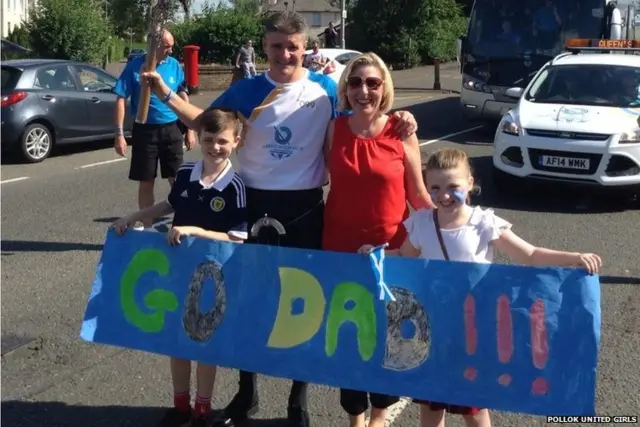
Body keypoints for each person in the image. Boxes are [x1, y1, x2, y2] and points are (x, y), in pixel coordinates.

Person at [136, 11, 418, 427]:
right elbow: (204, 122)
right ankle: (246, 394)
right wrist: (164, 92)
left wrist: (401, 120)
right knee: (248, 302)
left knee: (302, 304)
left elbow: (366, 119)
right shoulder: (247, 88)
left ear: (305, 48)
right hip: (250, 205)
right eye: (276, 46)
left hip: (304, 207)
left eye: (293, 47)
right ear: (264, 46)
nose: (285, 54)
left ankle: (297, 401)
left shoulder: (325, 88)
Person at [359, 147, 602, 427]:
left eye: (453, 186)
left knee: (473, 405)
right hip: (434, 327)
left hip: (474, 330)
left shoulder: (483, 223)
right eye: (435, 187)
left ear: (470, 183)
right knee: (430, 402)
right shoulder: (421, 223)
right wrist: (375, 255)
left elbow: (530, 254)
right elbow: (405, 257)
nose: (444, 195)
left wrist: (574, 259)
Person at [112, 108, 247, 427]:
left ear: (236, 142)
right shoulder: (186, 172)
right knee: (177, 340)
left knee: (204, 343)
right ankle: (181, 405)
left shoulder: (236, 186)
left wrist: (194, 231)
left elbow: (236, 238)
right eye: (209, 140)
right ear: (198, 139)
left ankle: (203, 409)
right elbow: (169, 205)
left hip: (214, 275)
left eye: (222, 141)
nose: (215, 147)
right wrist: (133, 218)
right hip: (179, 269)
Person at [322, 52, 433, 427]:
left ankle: (380, 414)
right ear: (346, 88)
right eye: (355, 83)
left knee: (387, 336)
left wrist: (454, 228)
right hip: (339, 251)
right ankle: (355, 416)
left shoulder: (402, 132)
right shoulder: (333, 130)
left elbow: (417, 196)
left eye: (372, 82)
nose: (363, 90)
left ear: (384, 87)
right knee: (349, 336)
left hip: (392, 253)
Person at [113, 29, 197, 229]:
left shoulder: (174, 65)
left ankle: (184, 224)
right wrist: (119, 135)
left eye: (171, 45)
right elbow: (120, 99)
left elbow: (183, 95)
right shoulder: (134, 67)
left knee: (177, 180)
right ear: (153, 46)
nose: (171, 50)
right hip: (144, 131)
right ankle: (148, 228)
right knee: (146, 181)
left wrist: (190, 129)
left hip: (171, 129)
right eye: (167, 46)